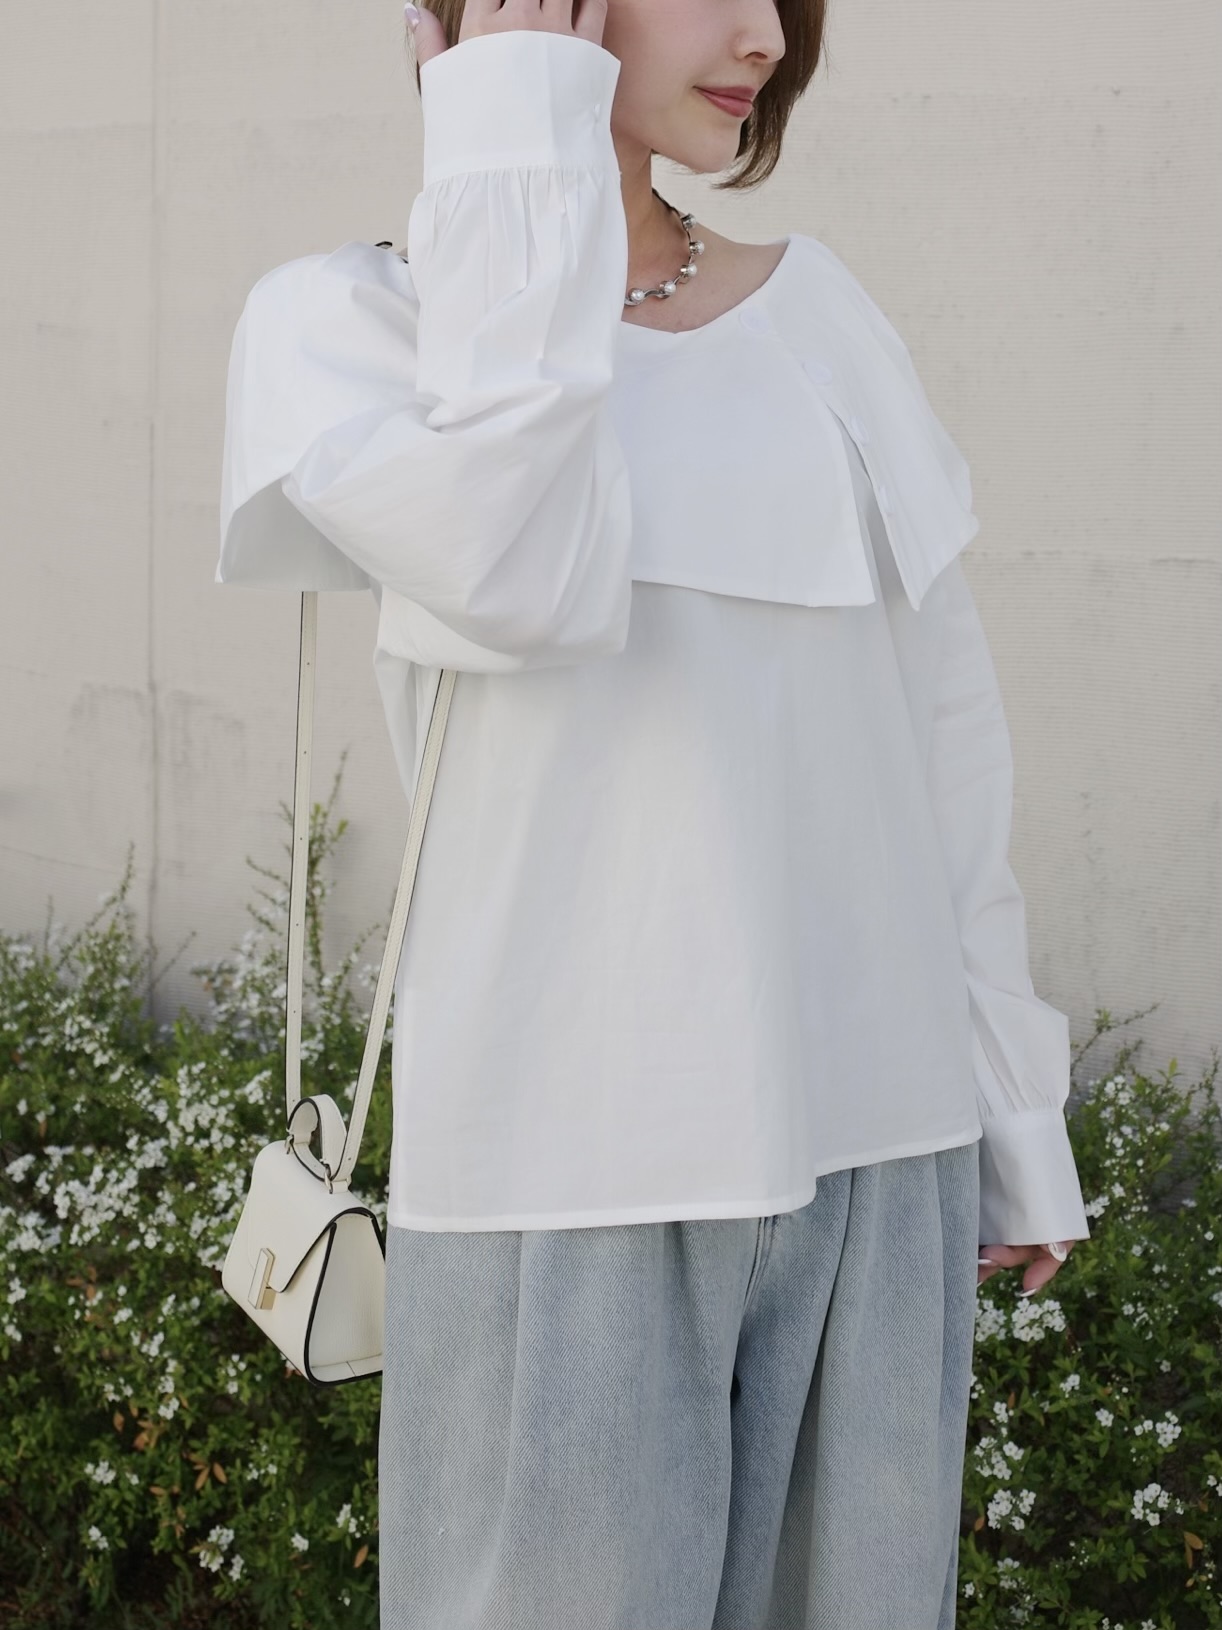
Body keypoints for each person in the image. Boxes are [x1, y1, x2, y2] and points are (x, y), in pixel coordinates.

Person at [216, 0, 1091, 1623]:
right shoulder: (348, 327)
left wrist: (1008, 1107)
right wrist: (511, 136)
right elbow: (516, 569)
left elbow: (941, 739)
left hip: (875, 1147)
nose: (763, 32)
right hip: (565, 1174)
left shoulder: (823, 317)